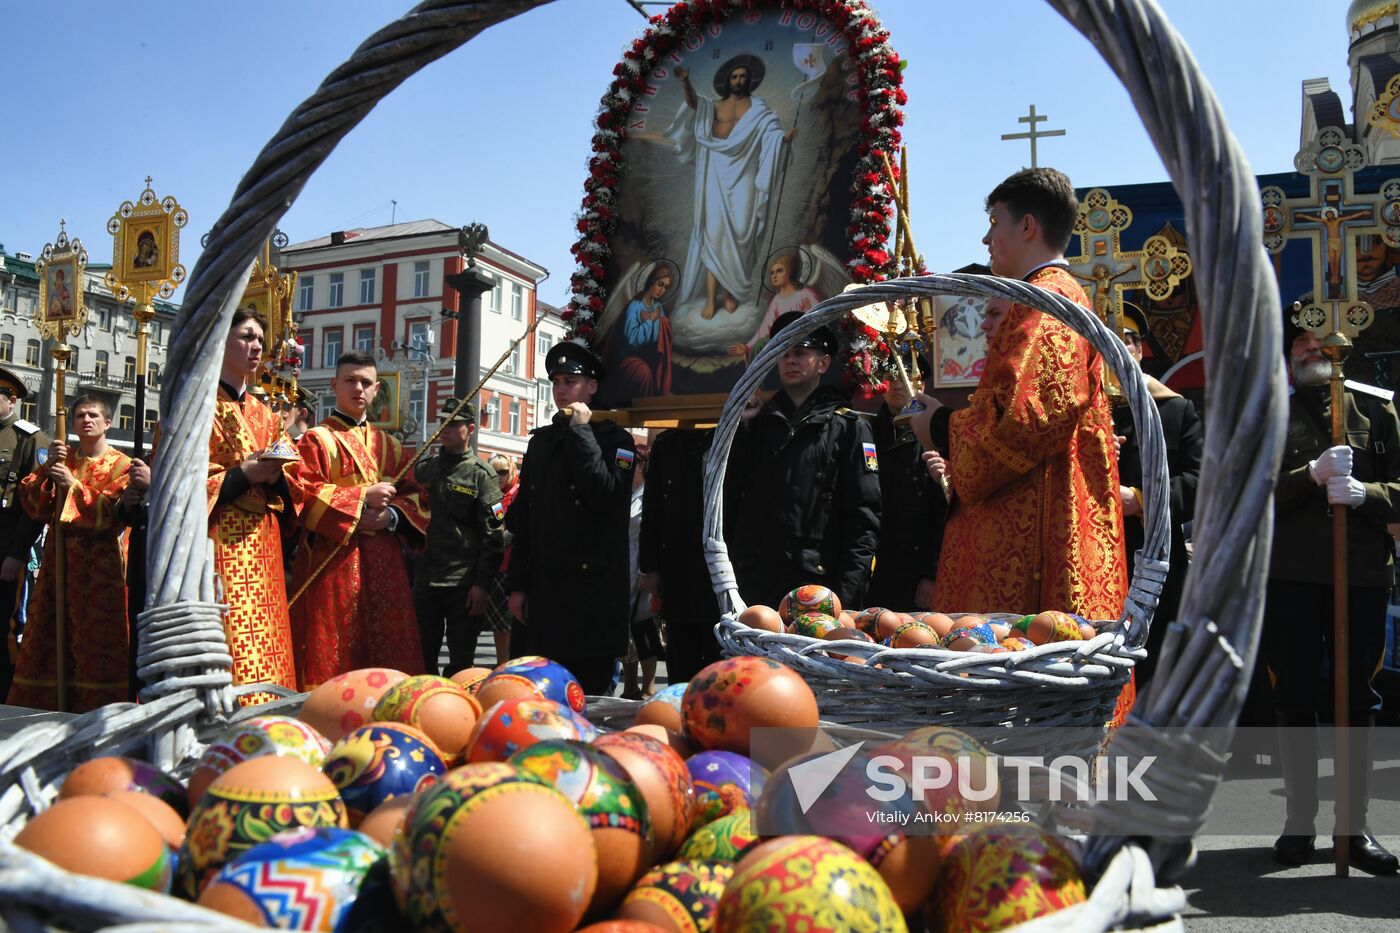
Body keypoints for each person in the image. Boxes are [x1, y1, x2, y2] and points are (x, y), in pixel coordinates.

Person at [912, 167, 1127, 623]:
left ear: (1027, 226)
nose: (986, 239)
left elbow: (1024, 421)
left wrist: (936, 425)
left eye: (994, 222)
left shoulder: (1045, 303)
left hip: (1040, 543)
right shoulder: (1043, 297)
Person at [1265, 317, 1400, 874]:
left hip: (1362, 576)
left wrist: (1365, 493)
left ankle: (1356, 827)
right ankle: (1299, 825)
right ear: (1290, 353)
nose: (1315, 347)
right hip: (1293, 577)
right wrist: (1309, 476)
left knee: (1356, 700)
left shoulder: (1377, 413)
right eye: (1302, 339)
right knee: (1294, 696)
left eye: (1323, 338)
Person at [290, 351, 428, 688]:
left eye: (366, 382)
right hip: (335, 562)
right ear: (334, 385)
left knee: (389, 656)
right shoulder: (317, 439)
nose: (358, 388)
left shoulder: (391, 445)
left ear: (377, 389)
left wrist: (392, 517)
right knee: (337, 654)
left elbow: (419, 498)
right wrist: (360, 502)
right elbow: (302, 493)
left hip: (386, 565)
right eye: (350, 381)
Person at [727, 312, 881, 610]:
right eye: (784, 354)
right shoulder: (756, 424)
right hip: (757, 585)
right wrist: (740, 428)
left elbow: (863, 517)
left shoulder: (848, 428)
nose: (790, 360)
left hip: (818, 585)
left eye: (801, 353)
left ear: (823, 363)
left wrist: (848, 598)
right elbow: (731, 499)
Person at [506, 342, 635, 695]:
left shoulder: (617, 440)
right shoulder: (542, 442)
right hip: (545, 589)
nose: (561, 389)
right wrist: (517, 585)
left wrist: (581, 433)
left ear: (592, 387)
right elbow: (526, 518)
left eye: (571, 381)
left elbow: (605, 493)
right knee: (539, 694)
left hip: (590, 595)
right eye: (556, 381)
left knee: (588, 697)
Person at [7, 396, 132, 712]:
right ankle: (45, 707)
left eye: (93, 415)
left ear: (107, 423)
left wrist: (73, 487)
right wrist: (49, 471)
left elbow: (114, 516)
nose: (86, 420)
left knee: (95, 640)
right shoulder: (64, 459)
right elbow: (34, 505)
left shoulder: (121, 465)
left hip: (99, 567)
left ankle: (96, 711)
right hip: (58, 562)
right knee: (50, 636)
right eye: (79, 415)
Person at [203, 309, 300, 705]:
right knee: (226, 634)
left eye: (259, 338)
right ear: (221, 343)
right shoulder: (197, 405)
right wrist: (244, 473)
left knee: (267, 635)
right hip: (217, 541)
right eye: (246, 336)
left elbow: (293, 476)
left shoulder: (265, 414)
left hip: (263, 543)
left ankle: (271, 711)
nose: (256, 345)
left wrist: (276, 474)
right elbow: (178, 480)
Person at [668, 53, 797, 320]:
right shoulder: (714, 107)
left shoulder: (759, 109)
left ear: (750, 81)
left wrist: (782, 140)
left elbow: (772, 133)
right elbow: (694, 104)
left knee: (741, 235)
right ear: (728, 81)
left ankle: (729, 293)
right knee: (714, 235)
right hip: (715, 173)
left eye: (743, 77)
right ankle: (712, 300)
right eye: (735, 76)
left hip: (746, 175)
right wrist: (684, 83)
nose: (739, 80)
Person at [1112, 304, 1202, 683]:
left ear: (1140, 350)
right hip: (1091, 555)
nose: (1120, 347)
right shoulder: (1075, 410)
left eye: (1128, 340)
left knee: (1157, 669)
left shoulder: (1175, 409)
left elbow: (1200, 482)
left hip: (1155, 559)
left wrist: (1140, 499)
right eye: (1110, 340)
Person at [412, 398, 505, 677]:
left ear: (471, 429)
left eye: (454, 424)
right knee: (422, 654)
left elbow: (494, 535)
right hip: (426, 578)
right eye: (443, 423)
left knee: (461, 659)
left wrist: (482, 584)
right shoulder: (425, 468)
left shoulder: (482, 475)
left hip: (462, 583)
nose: (446, 429)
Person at [639, 428, 724, 683]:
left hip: (720, 574)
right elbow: (653, 510)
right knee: (682, 664)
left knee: (718, 665)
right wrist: (649, 566)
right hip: (679, 574)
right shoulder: (668, 445)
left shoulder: (739, 434)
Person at [866, 361, 947, 611]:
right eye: (890, 377)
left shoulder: (936, 436)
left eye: (904, 377)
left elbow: (942, 513)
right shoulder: (867, 431)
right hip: (873, 560)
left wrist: (930, 575)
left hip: (914, 566)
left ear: (920, 384)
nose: (898, 384)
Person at [0, 366, 48, 701]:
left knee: (4, 625)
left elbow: (35, 505)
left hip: (5, 547)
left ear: (11, 400)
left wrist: (17, 553)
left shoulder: (28, 439)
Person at [728, 249, 822, 362]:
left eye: (779, 271)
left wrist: (806, 313)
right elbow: (764, 330)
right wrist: (747, 347)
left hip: (801, 344)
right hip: (782, 345)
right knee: (761, 344)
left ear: (790, 272)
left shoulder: (805, 294)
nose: (774, 276)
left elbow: (820, 318)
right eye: (772, 272)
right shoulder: (776, 300)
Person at [622, 439, 659, 699]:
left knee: (644, 625)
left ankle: (648, 684)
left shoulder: (650, 493)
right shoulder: (622, 491)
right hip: (622, 562)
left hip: (642, 562)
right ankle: (629, 684)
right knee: (624, 627)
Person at [482, 454, 519, 666]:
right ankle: (501, 664)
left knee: (512, 623)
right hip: (497, 565)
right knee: (499, 625)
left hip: (513, 566)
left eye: (503, 471)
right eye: (494, 472)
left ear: (511, 470)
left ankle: (512, 665)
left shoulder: (518, 493)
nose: (499, 476)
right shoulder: (495, 495)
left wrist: (504, 538)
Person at [622, 265, 675, 396]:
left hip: (654, 357)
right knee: (644, 372)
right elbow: (632, 340)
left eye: (665, 287)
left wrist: (660, 322)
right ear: (651, 281)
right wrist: (650, 321)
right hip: (634, 358)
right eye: (660, 284)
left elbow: (662, 337)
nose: (662, 290)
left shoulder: (658, 308)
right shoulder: (635, 306)